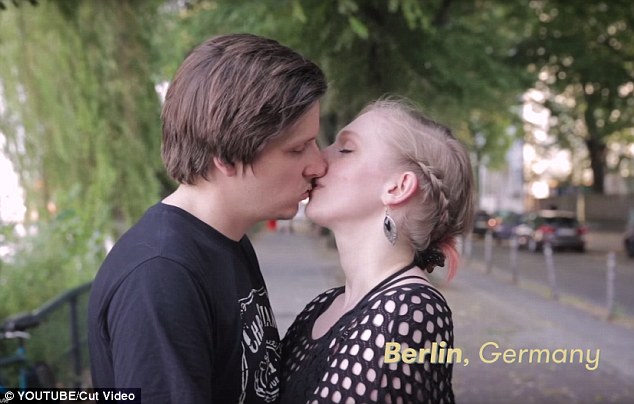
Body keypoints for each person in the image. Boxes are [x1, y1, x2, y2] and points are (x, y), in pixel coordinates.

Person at [88, 33, 327, 403]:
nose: (318, 164)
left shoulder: (227, 241)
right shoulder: (161, 277)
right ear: (227, 157)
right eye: (297, 149)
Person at [280, 98, 474, 403]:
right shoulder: (324, 306)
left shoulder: (410, 311)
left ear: (397, 188)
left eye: (346, 149)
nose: (318, 159)